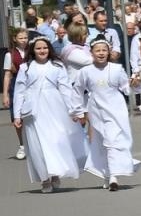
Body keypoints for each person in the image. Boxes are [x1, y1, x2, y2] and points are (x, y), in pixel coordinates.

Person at [13, 35, 86, 193]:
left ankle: (55, 173)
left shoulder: (57, 66)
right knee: (37, 145)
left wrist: (73, 110)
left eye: (45, 48)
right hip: (33, 111)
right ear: (33, 50)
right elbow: (19, 91)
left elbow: (66, 89)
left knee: (56, 140)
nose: (42, 51)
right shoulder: (25, 67)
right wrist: (17, 115)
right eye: (38, 48)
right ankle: (45, 178)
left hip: (55, 107)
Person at [72, 38, 137, 190]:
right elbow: (77, 91)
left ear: (108, 52)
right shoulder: (85, 71)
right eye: (98, 50)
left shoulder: (116, 69)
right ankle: (107, 173)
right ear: (92, 53)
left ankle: (114, 176)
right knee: (103, 142)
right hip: (96, 109)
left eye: (104, 50)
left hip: (116, 108)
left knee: (113, 140)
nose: (101, 53)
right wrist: (78, 111)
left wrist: (134, 83)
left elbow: (126, 87)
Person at [4, 27, 26, 160]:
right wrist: (5, 94)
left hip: (31, 86)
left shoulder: (32, 51)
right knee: (17, 117)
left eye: (25, 38)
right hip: (16, 86)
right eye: (21, 38)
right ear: (15, 39)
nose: (24, 40)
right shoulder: (10, 54)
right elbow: (7, 75)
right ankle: (22, 145)